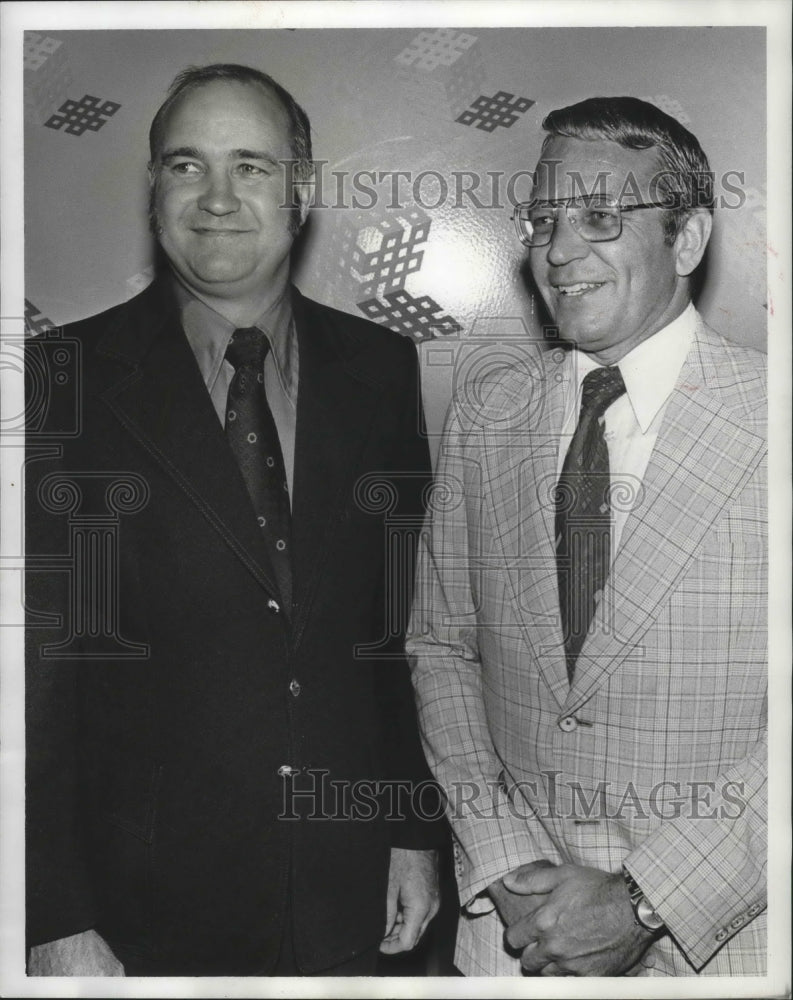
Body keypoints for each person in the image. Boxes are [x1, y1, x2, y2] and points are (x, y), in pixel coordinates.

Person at [25, 63, 442, 977]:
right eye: (186, 165)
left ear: (301, 190)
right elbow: (38, 669)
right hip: (143, 913)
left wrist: (410, 828)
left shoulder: (379, 368)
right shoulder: (65, 378)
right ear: (153, 187)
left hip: (348, 893)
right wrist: (52, 913)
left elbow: (393, 634)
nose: (215, 198)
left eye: (250, 166)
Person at [408, 96, 766, 977]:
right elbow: (441, 646)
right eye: (543, 219)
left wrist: (646, 900)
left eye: (601, 217)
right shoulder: (487, 414)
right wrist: (504, 864)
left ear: (685, 241)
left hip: (727, 946)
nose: (559, 250)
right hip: (514, 941)